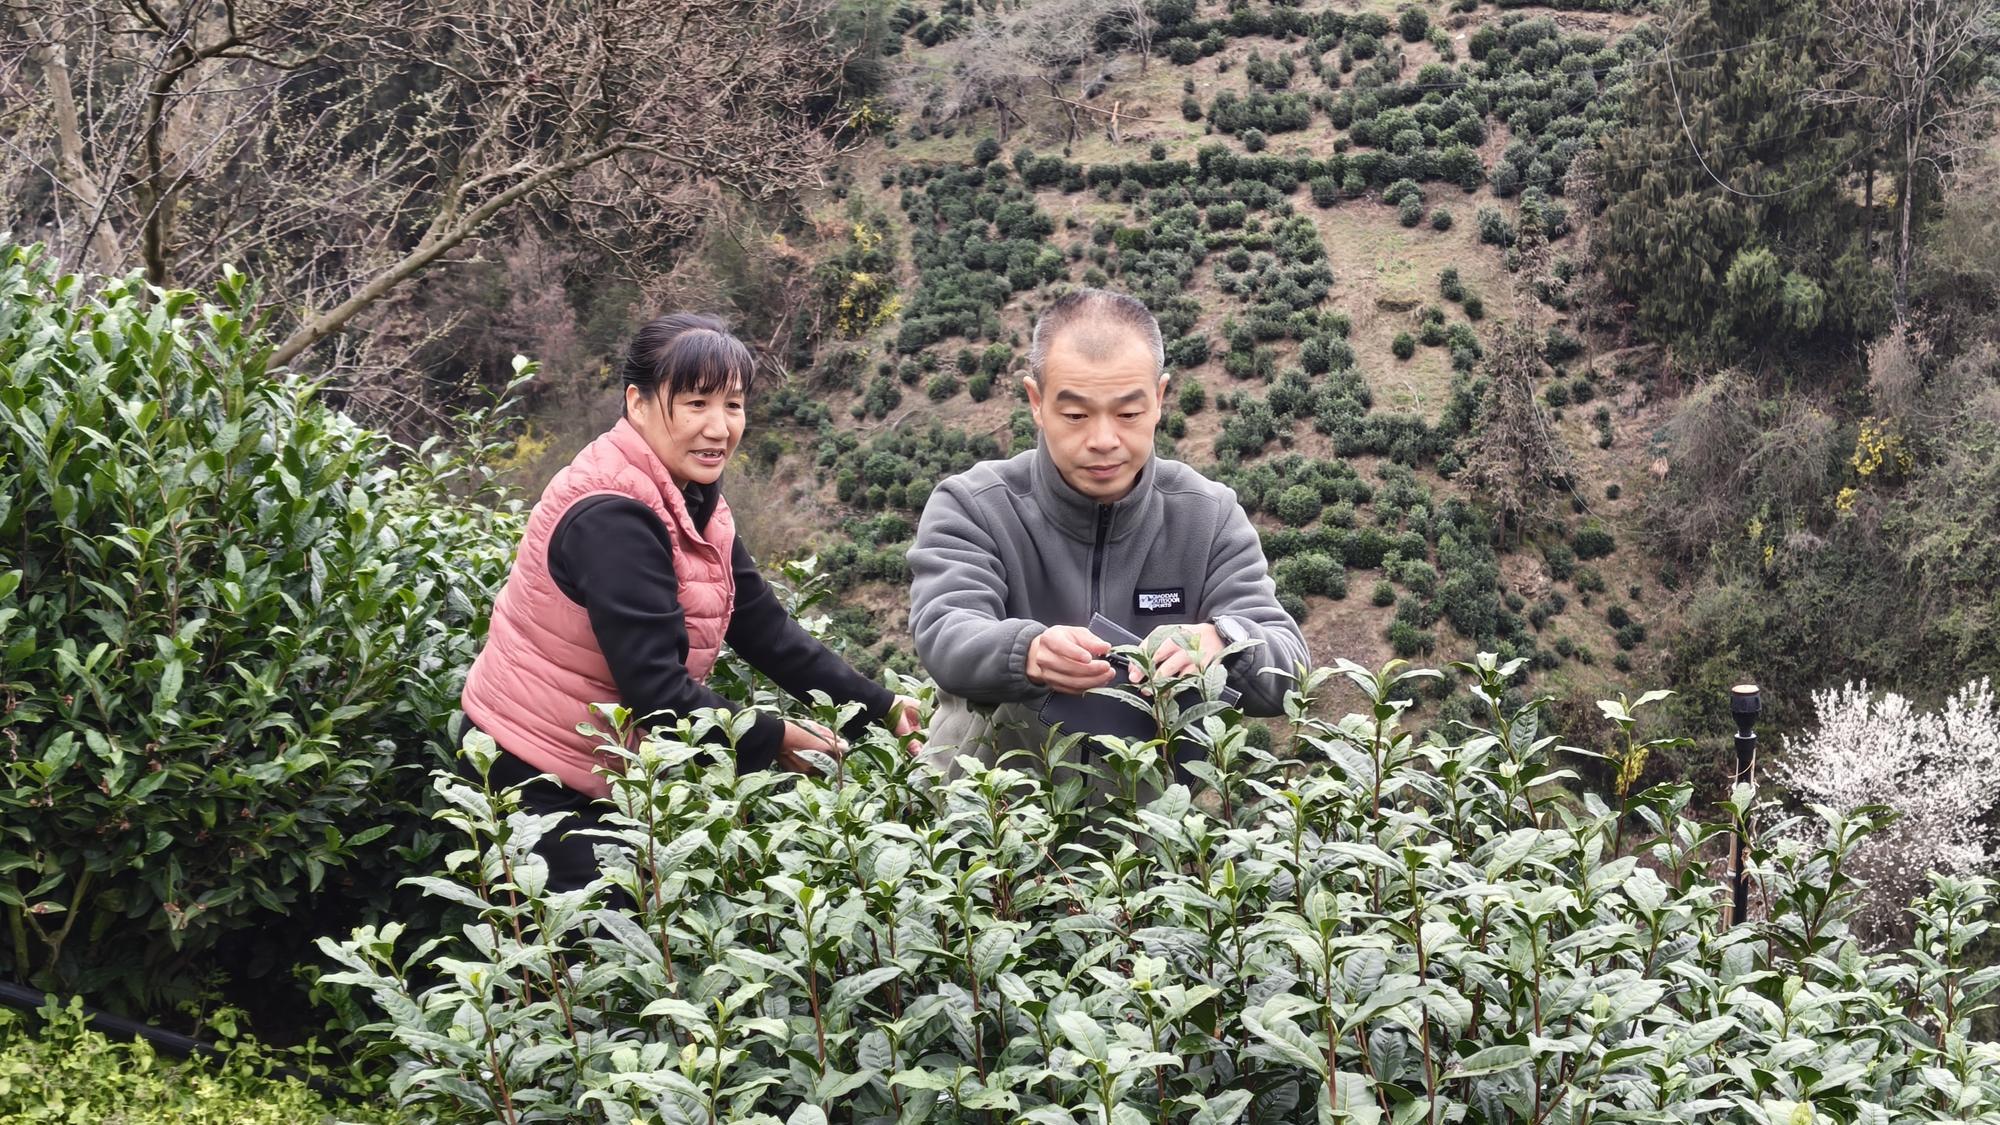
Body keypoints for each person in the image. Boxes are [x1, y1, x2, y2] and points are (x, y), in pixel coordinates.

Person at [461, 313, 920, 892]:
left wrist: (882, 708)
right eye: (696, 403)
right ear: (638, 403)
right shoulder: (613, 515)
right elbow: (658, 695)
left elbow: (764, 629)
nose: (719, 427)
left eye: (733, 405)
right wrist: (775, 736)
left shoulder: (689, 497)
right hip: (533, 771)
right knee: (595, 941)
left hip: (601, 766)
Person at [907, 287, 1308, 781]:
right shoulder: (974, 505)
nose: (1102, 440)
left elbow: (1288, 669)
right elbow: (945, 631)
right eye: (1076, 415)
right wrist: (1027, 651)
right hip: (987, 813)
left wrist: (1221, 641)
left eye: (1128, 414)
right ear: (1036, 402)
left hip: (1144, 821)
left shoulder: (1208, 516)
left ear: (1159, 400)